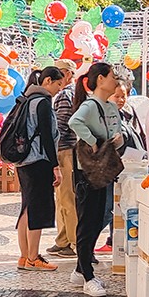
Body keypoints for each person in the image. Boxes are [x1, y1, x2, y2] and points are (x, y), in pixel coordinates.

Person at [66, 61, 127, 296]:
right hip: (88, 171)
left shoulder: (110, 107)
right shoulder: (90, 105)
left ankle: (80, 270)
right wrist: (91, 141)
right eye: (112, 76)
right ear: (100, 79)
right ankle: (87, 276)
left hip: (104, 169)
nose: (116, 81)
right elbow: (74, 122)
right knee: (88, 222)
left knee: (97, 217)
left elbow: (115, 132)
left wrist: (117, 140)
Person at [12, 66, 66, 271]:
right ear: (47, 81)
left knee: (26, 207)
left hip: (24, 161)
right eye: (58, 84)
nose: (59, 89)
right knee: (37, 209)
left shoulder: (26, 99)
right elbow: (47, 138)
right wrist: (55, 166)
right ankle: (34, 257)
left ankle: (24, 256)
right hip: (39, 161)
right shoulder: (42, 102)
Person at [51, 72, 82, 259]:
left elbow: (61, 125)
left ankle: (73, 242)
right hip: (69, 150)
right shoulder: (73, 94)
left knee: (67, 199)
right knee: (63, 199)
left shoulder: (64, 95)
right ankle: (63, 240)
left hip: (64, 151)